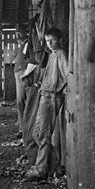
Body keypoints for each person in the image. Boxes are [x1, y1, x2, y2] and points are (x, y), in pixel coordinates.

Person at [27, 28, 68, 180]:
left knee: (43, 135)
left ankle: (40, 170)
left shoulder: (61, 54)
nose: (49, 43)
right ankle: (56, 167)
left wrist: (61, 90)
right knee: (36, 133)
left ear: (60, 40)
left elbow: (67, 75)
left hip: (52, 97)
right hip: (45, 95)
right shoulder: (52, 55)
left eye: (53, 40)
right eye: (47, 40)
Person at [13, 29, 29, 141]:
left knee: (22, 101)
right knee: (20, 101)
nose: (18, 37)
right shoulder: (24, 43)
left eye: (19, 35)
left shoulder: (29, 43)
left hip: (23, 73)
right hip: (20, 71)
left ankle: (24, 129)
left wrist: (25, 73)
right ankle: (22, 128)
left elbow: (33, 61)